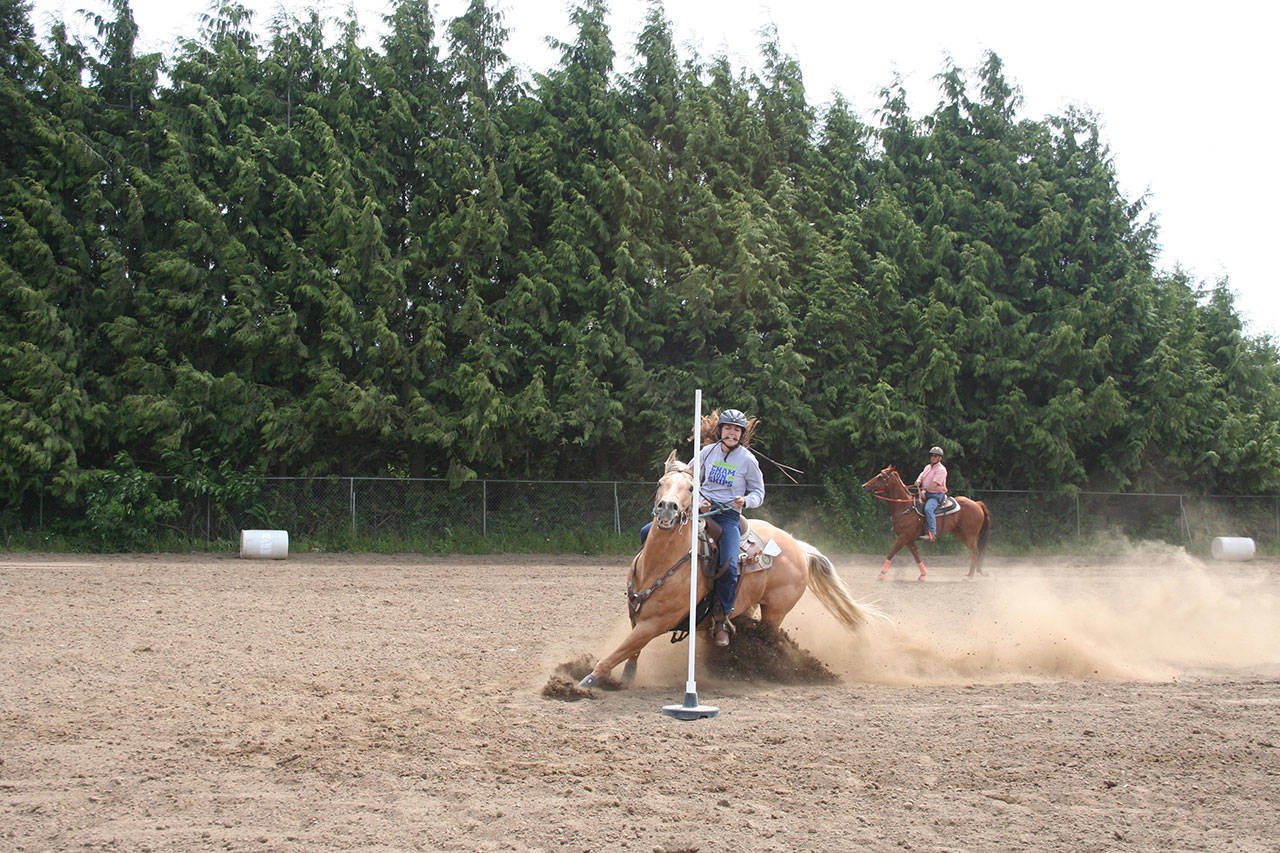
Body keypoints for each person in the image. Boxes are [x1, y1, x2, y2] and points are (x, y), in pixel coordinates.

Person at [639, 408, 765, 647]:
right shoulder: (707, 452)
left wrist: (746, 501)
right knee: (647, 532)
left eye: (736, 430)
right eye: (727, 428)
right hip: (698, 510)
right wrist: (696, 496)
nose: (731, 433)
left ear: (741, 434)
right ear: (720, 430)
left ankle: (721, 619)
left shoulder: (748, 461)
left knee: (728, 564)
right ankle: (647, 585)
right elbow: (689, 476)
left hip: (727, 516)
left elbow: (759, 492)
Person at [914, 445, 948, 541]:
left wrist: (924, 490)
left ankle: (932, 534)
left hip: (936, 495)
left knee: (928, 509)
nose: (933, 457)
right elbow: (921, 475)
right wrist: (918, 481)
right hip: (926, 493)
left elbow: (935, 484)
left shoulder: (941, 470)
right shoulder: (928, 467)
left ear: (940, 458)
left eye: (935, 456)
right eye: (932, 455)